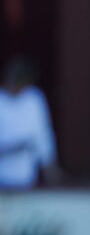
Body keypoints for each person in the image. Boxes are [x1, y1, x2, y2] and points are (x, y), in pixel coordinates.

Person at [0, 56, 59, 189]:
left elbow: (43, 134)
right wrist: (9, 148)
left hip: (25, 176)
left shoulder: (33, 99)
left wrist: (50, 168)